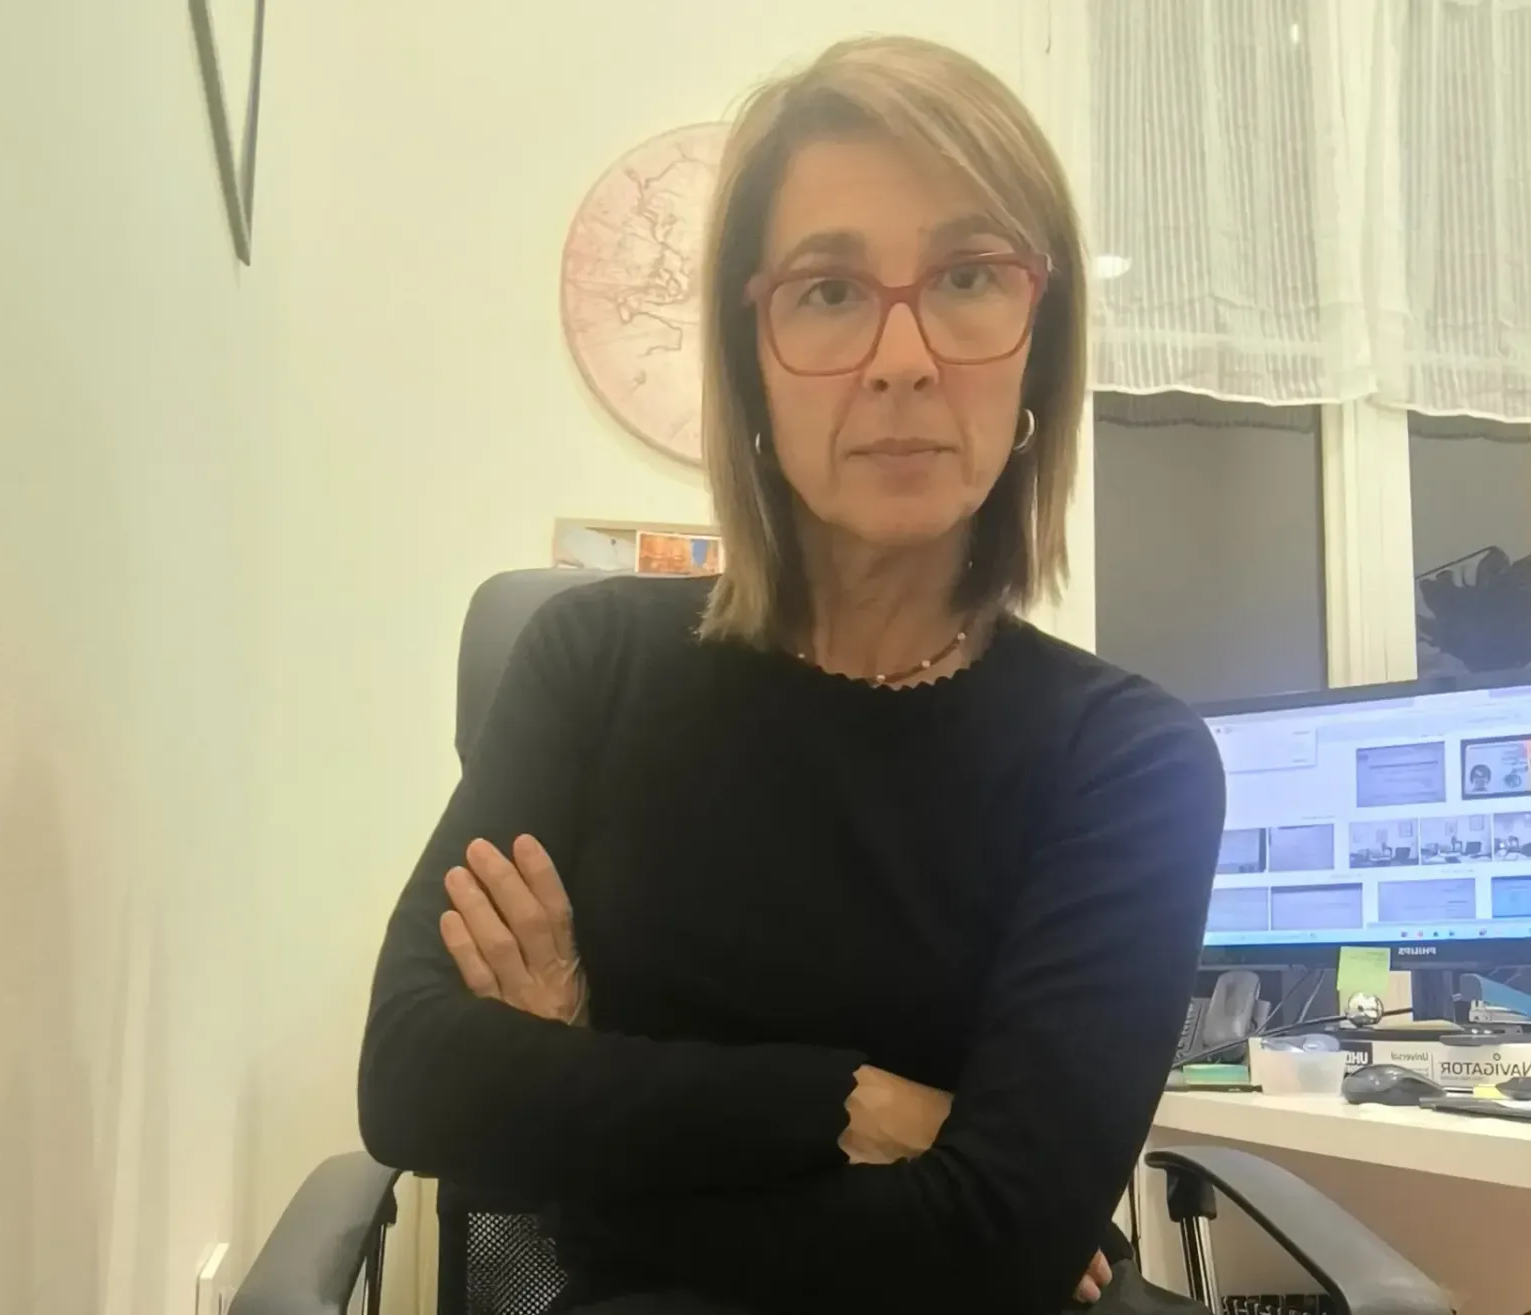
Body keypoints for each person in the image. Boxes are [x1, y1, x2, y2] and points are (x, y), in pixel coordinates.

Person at [358, 34, 1226, 1315]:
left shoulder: (1126, 764)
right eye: (827, 291)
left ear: (1037, 347)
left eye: (970, 276)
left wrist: (589, 1098)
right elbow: (415, 1078)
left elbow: (997, 1242)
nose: (902, 356)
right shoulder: (593, 661)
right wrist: (842, 1101)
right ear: (750, 359)